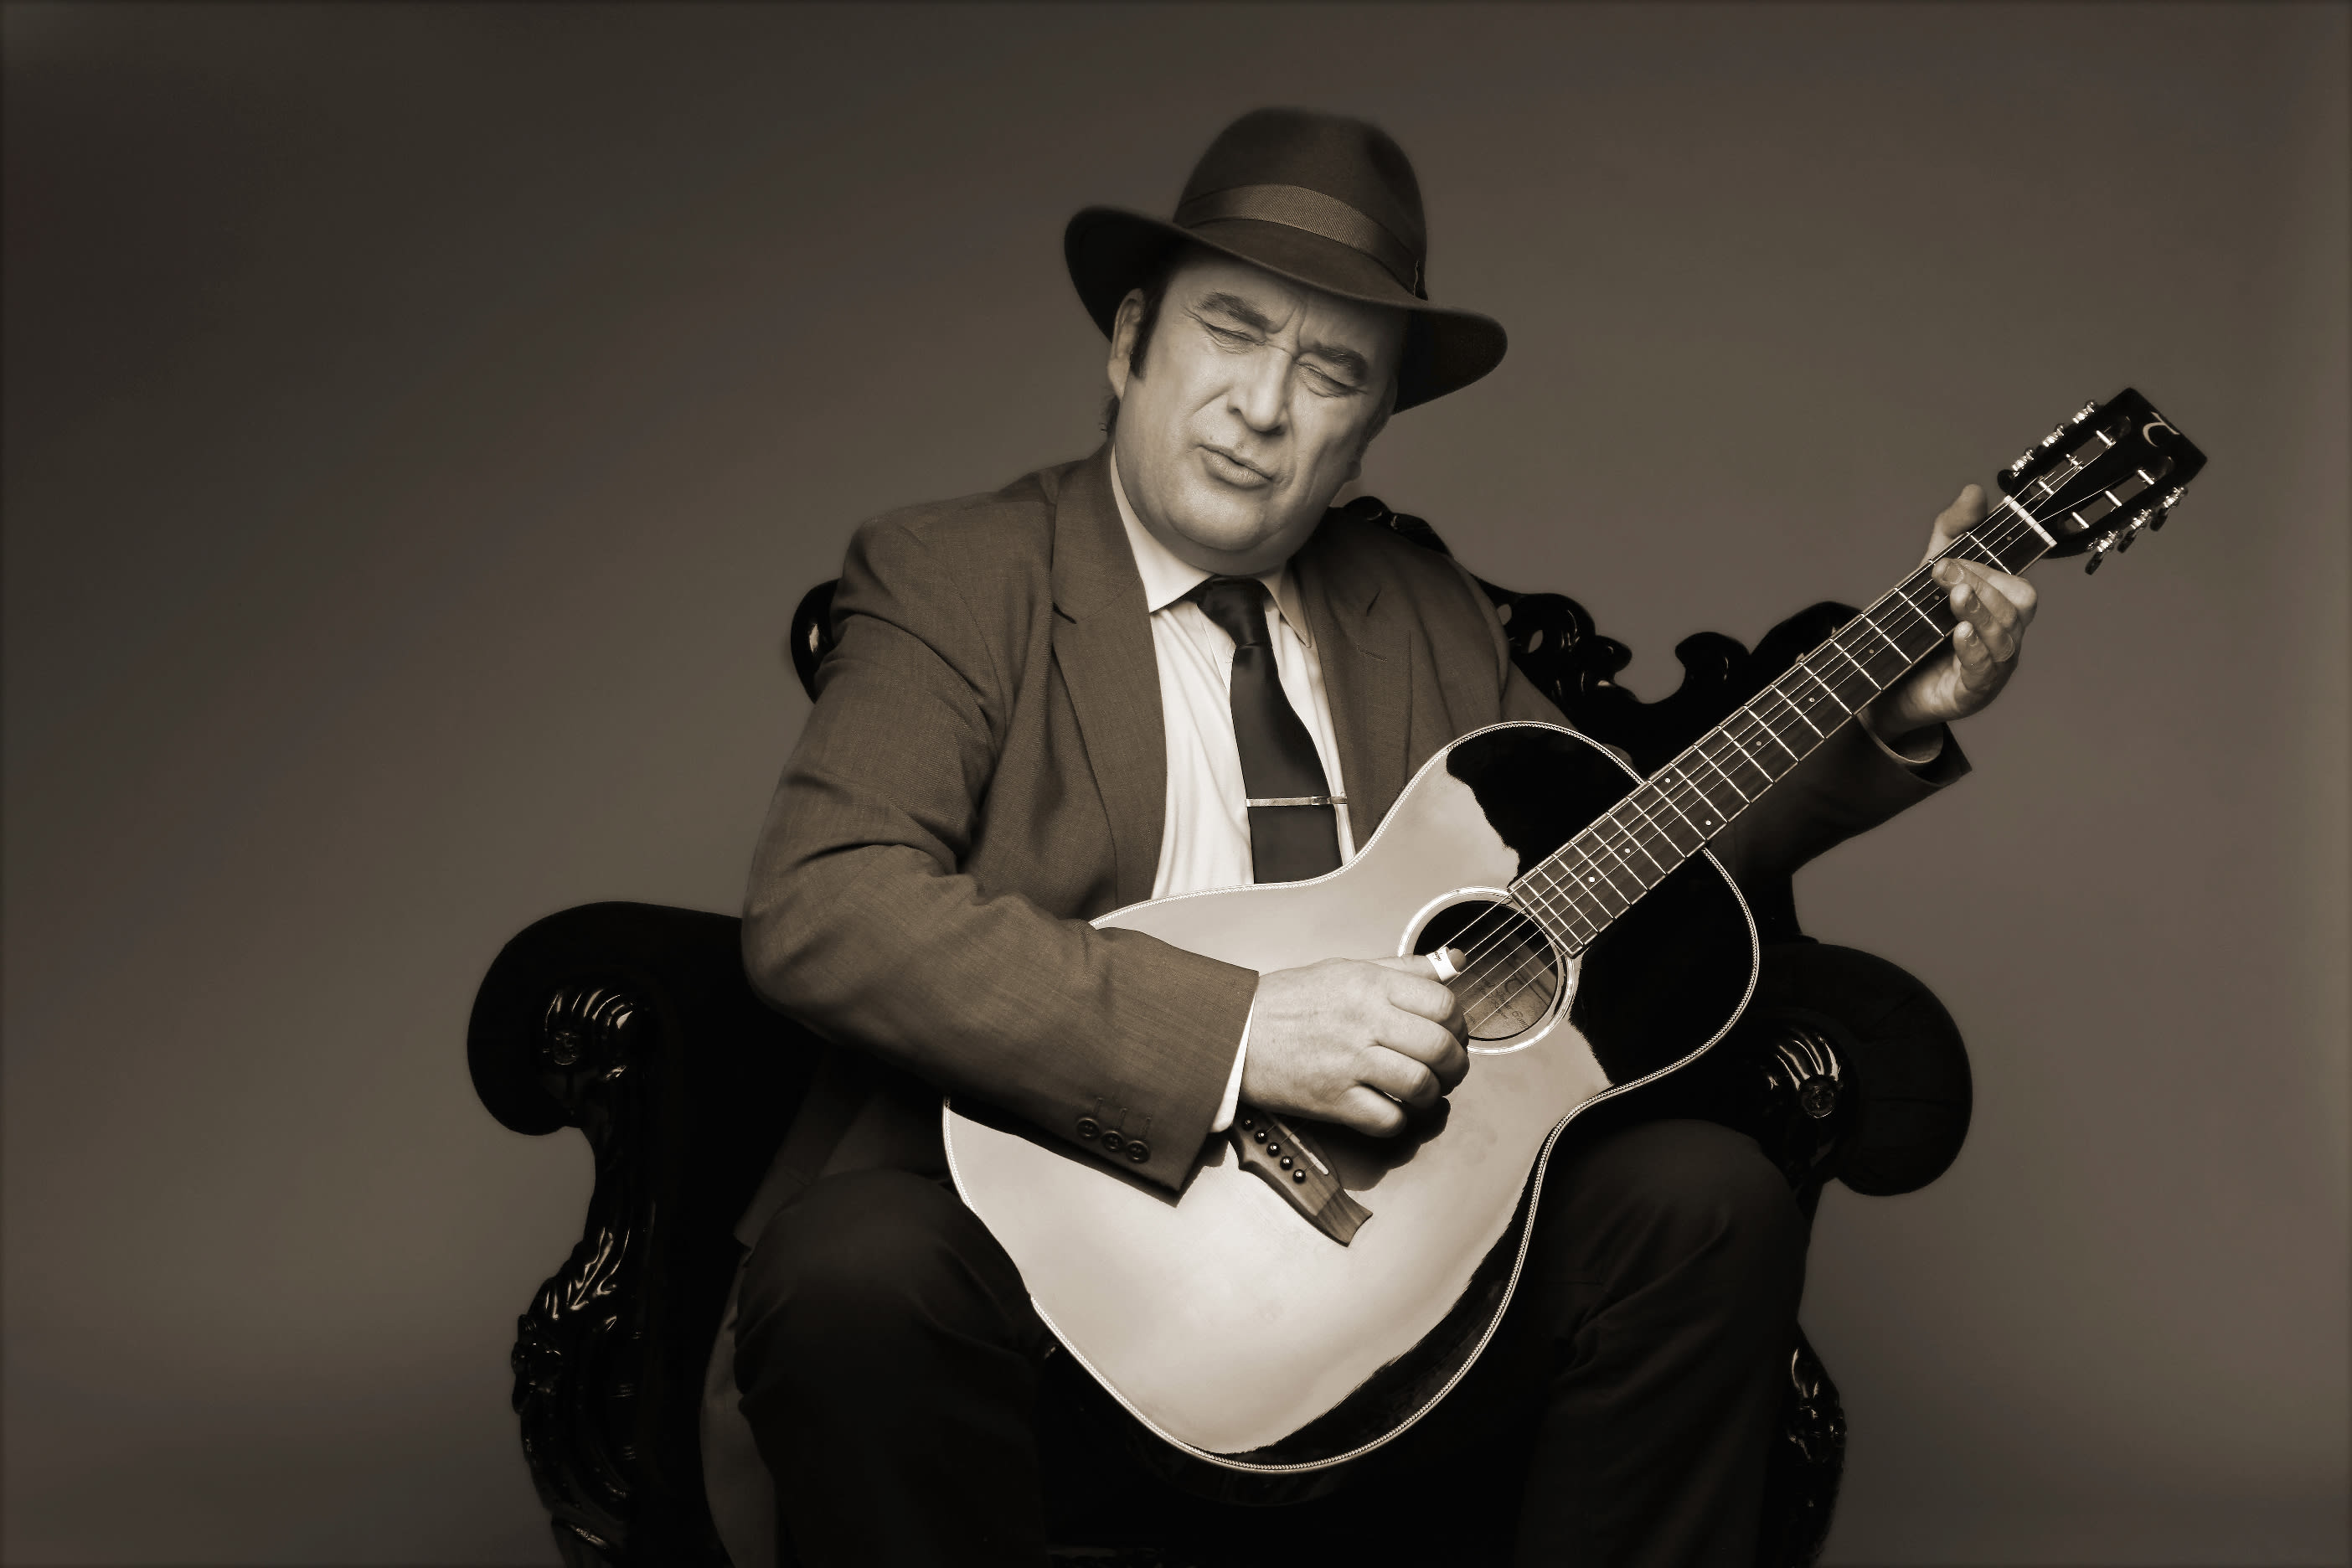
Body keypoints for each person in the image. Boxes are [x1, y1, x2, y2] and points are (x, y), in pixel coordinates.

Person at [702, 108, 2035, 1567]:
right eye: (1230, 332)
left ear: (1369, 430)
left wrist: (1883, 715)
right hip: (1039, 1276)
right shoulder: (958, 574)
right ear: (1132, 342)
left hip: (1386, 1272)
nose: (1263, 406)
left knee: (1707, 1204)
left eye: (1330, 371)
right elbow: (827, 906)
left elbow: (1634, 852)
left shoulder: (1424, 612)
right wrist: (1240, 1035)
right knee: (855, 1271)